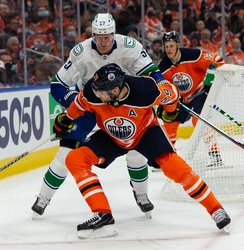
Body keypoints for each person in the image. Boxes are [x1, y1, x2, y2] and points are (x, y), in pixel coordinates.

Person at [52, 63, 231, 239]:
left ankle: (216, 209)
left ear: (115, 90)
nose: (97, 95)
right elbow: (79, 103)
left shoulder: (146, 89)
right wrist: (67, 119)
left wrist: (169, 111)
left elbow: (172, 93)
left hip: (145, 133)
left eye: (101, 92)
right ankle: (102, 213)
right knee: (75, 158)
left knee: (176, 169)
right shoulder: (93, 91)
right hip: (111, 136)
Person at [31, 13, 168, 219]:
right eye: (98, 36)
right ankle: (43, 198)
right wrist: (77, 103)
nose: (103, 41)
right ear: (92, 34)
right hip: (90, 108)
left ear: (114, 34)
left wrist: (163, 88)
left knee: (136, 152)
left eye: (107, 36)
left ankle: (141, 194)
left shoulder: (130, 46)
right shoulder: (81, 52)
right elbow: (57, 85)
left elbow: (153, 74)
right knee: (65, 155)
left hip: (124, 107)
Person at [157, 31, 225, 168]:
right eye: (166, 46)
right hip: (181, 99)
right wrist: (166, 101)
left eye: (171, 46)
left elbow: (218, 61)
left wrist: (209, 81)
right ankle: (169, 158)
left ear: (177, 45)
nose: (169, 49)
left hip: (199, 93)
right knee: (169, 121)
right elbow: (162, 86)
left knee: (199, 120)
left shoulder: (193, 55)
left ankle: (215, 156)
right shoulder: (163, 66)